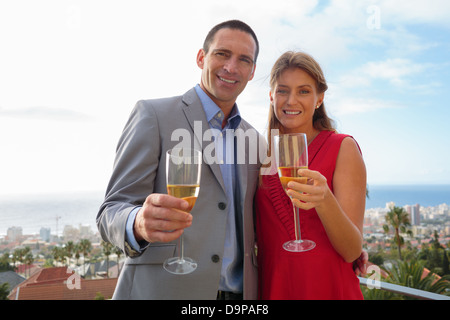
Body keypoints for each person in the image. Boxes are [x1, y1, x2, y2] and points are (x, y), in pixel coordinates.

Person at [96, 20, 266, 300]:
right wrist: (137, 222)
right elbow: (110, 212)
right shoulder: (153, 115)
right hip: (163, 290)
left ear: (252, 72)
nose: (231, 67)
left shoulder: (255, 140)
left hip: (240, 294)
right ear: (202, 58)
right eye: (222, 54)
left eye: (243, 60)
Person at [255, 51, 367, 299]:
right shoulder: (259, 156)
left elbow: (351, 251)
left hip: (330, 289)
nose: (291, 101)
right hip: (275, 289)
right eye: (283, 91)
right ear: (272, 96)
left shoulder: (342, 147)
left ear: (319, 98)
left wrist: (325, 199)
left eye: (303, 91)